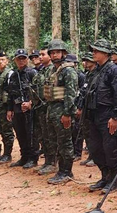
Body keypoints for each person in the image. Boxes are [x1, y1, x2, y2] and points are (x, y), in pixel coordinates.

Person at [84, 40, 117, 192]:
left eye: (96, 51)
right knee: (96, 149)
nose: (93, 53)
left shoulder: (113, 70)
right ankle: (104, 177)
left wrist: (116, 116)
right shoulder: (96, 70)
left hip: (108, 114)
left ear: (105, 53)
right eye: (93, 50)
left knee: (111, 149)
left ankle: (113, 181)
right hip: (94, 114)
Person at [46, 43, 79, 184]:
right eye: (52, 53)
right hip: (52, 110)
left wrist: (67, 114)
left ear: (63, 53)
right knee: (56, 142)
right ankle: (61, 170)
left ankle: (66, 172)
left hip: (62, 111)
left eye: (57, 52)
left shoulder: (68, 71)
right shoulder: (53, 70)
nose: (54, 55)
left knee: (65, 143)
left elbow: (71, 94)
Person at [6, 49, 39, 168]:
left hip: (29, 109)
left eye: (23, 58)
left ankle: (33, 158)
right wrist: (10, 109)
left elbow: (38, 91)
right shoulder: (13, 75)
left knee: (30, 134)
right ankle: (24, 156)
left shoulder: (32, 73)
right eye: (18, 59)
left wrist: (30, 102)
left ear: (27, 60)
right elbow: (10, 93)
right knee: (20, 134)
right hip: (17, 108)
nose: (21, 61)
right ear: (15, 60)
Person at [32, 46, 54, 174]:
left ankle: (52, 162)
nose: (40, 57)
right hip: (39, 108)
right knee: (43, 136)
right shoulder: (41, 71)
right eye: (39, 54)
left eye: (43, 54)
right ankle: (47, 161)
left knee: (50, 137)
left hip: (48, 108)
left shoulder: (53, 71)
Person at [0, 51, 16, 164]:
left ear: (7, 61)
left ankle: (7, 154)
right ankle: (3, 154)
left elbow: (11, 92)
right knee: (1, 130)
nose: (0, 62)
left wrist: (10, 108)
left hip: (6, 106)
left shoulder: (10, 73)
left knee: (7, 131)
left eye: (3, 59)